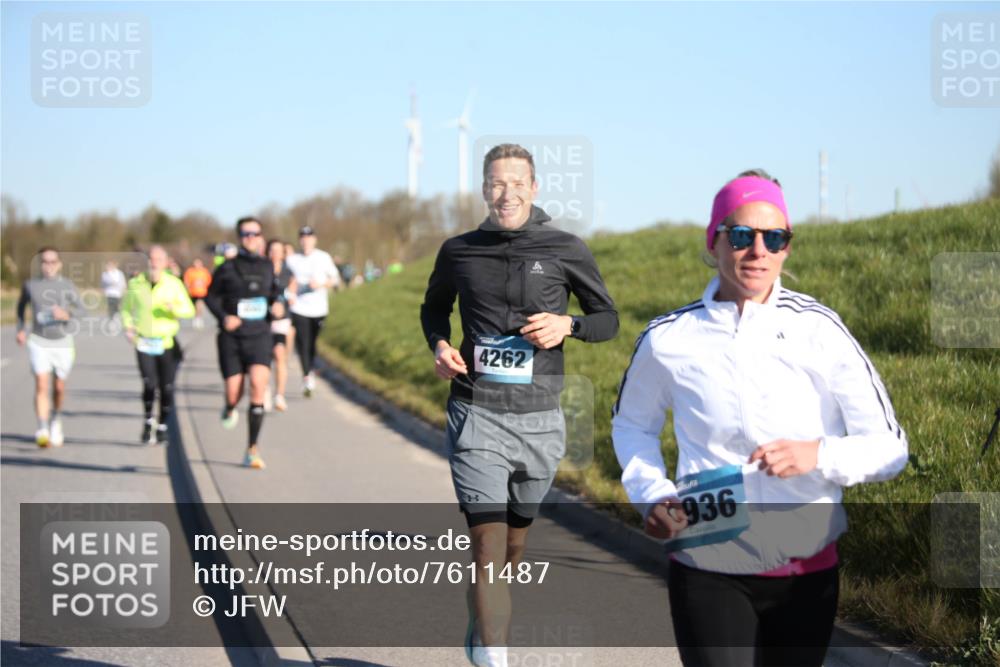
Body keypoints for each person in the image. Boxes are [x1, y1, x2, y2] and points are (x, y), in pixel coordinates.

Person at [611, 169, 909, 666]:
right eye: (742, 236)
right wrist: (651, 493)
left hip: (805, 571)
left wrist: (818, 454)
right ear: (714, 242)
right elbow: (632, 425)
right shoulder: (669, 337)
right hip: (706, 564)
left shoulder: (820, 330)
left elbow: (890, 447)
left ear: (787, 247)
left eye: (774, 238)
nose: (758, 251)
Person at [420, 143, 619, 667]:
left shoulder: (566, 248)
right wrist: (440, 345)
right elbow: (434, 308)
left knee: (510, 551)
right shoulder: (457, 250)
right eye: (494, 183)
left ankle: (484, 620)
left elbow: (607, 320)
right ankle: (494, 655)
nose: (504, 193)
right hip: (475, 413)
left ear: (534, 187)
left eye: (515, 183)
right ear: (483, 189)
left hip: (539, 421)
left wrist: (567, 325)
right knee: (486, 550)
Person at [205, 217, 284, 469]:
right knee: (234, 392)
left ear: (261, 236)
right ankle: (229, 407)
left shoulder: (267, 266)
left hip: (259, 334)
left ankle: (252, 449)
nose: (250, 237)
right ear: (239, 237)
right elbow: (209, 297)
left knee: (259, 387)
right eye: (245, 233)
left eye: (255, 233)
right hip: (232, 338)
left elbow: (274, 294)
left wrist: (278, 305)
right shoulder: (227, 267)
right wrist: (224, 317)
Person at [121, 245, 195, 444]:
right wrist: (128, 327)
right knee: (149, 383)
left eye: (158, 260)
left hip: (166, 343)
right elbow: (126, 309)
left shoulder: (173, 284)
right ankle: (148, 419)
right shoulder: (136, 283)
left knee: (167, 387)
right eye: (151, 259)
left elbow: (189, 310)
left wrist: (175, 309)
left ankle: (162, 424)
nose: (154, 263)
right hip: (143, 341)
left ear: (165, 262)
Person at [15, 247, 83, 447]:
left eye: (53, 262)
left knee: (59, 387)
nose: (49, 266)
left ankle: (56, 419)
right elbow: (21, 307)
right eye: (45, 261)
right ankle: (42, 427)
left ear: (59, 264)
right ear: (40, 263)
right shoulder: (30, 285)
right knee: (41, 384)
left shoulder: (67, 286)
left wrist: (67, 314)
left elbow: (82, 310)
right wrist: (20, 329)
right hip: (38, 341)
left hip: (62, 343)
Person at [286, 225, 340, 397]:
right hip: (299, 307)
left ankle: (310, 367)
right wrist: (290, 294)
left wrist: (321, 284)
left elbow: (335, 279)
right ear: (299, 240)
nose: (305, 240)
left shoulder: (323, 257)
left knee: (312, 342)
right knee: (303, 341)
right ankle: (307, 376)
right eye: (302, 237)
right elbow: (286, 281)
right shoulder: (292, 260)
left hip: (318, 308)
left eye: (309, 237)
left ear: (314, 239)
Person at [266, 239, 297, 412]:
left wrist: (288, 300)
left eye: (279, 250)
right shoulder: (262, 270)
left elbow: (292, 294)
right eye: (272, 250)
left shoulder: (288, 273)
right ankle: (264, 390)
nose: (275, 253)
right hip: (263, 321)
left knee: (279, 354)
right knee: (264, 359)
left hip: (281, 320)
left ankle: (280, 395)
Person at [183, 257, 212, 330]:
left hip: (201, 292)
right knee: (193, 306)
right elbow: (186, 281)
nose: (197, 265)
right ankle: (196, 317)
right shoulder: (190, 271)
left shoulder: (204, 271)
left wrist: (204, 286)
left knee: (199, 305)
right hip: (192, 292)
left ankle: (198, 319)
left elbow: (209, 281)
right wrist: (187, 289)